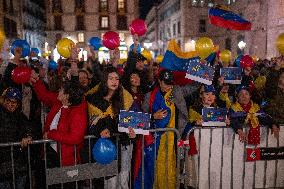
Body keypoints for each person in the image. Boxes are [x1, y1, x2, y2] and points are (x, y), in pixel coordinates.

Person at [134, 69, 199, 189]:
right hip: (155, 141)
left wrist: (202, 72)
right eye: (166, 83)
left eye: (171, 83)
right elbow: (140, 118)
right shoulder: (150, 96)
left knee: (173, 167)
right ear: (159, 81)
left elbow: (193, 87)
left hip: (175, 137)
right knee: (156, 167)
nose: (169, 86)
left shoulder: (177, 91)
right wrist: (153, 116)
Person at [29, 70, 87, 188]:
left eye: (60, 90)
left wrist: (51, 135)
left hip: (65, 159)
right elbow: (44, 95)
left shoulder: (78, 111)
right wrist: (36, 81)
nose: (58, 91)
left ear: (67, 95)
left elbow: (75, 137)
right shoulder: (59, 101)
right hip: (49, 153)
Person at [86, 66, 135, 189]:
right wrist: (100, 130)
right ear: (104, 80)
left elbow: (129, 122)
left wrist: (132, 132)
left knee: (123, 181)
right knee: (110, 183)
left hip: (124, 145)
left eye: (117, 79)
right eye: (111, 78)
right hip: (105, 148)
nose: (114, 81)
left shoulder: (123, 99)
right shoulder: (94, 99)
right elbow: (92, 123)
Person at [0, 87, 33, 189]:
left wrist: (28, 137)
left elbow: (30, 130)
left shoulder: (21, 116)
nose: (11, 104)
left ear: (18, 104)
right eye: (8, 101)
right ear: (4, 100)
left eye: (14, 102)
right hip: (2, 164)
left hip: (19, 164)